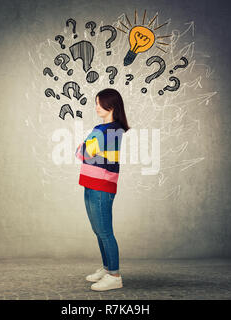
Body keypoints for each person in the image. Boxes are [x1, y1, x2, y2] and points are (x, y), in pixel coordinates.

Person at [75, 88, 130, 291]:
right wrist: (87, 146)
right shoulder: (101, 128)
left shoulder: (112, 129)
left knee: (105, 232)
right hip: (90, 183)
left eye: (99, 103)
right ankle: (107, 269)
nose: (96, 107)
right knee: (98, 231)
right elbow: (81, 152)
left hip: (102, 186)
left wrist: (87, 143)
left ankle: (114, 276)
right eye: (96, 103)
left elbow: (83, 152)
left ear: (112, 106)